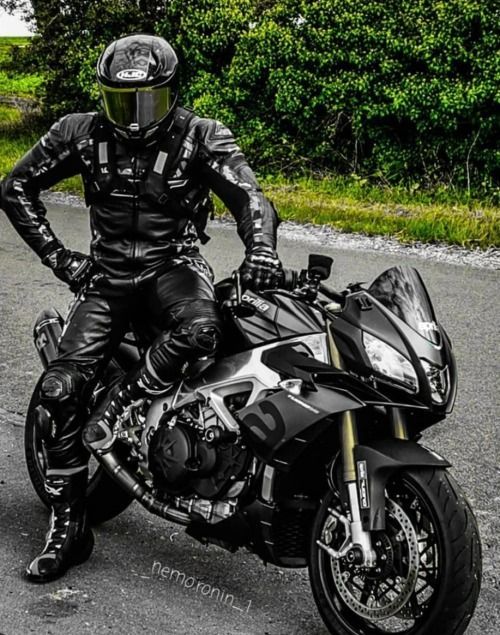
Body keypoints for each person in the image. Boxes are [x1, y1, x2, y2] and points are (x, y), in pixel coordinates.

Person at [0, 34, 281, 583]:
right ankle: (67, 526)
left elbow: (251, 196)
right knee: (58, 393)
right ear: (102, 96)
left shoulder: (201, 135)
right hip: (105, 278)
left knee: (204, 331)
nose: (132, 116)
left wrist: (263, 248)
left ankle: (119, 407)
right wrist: (64, 262)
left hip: (173, 268)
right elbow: (15, 187)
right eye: (119, 102)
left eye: (146, 101)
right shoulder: (77, 132)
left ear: (171, 94)